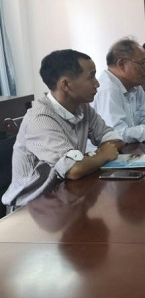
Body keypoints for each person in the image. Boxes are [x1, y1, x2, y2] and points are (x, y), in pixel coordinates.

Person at [2, 49, 123, 208]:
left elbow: (113, 138)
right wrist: (104, 154)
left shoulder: (82, 107)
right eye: (91, 77)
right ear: (65, 84)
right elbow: (74, 169)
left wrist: (93, 159)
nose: (97, 84)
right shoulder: (40, 119)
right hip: (31, 205)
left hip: (65, 193)